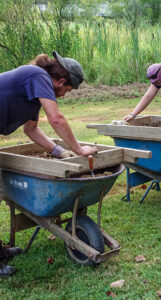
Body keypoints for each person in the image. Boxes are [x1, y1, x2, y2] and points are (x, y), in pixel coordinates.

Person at [0, 51, 98, 276]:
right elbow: (56, 119)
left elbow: (31, 128)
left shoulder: (33, 91)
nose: (64, 95)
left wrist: (57, 150)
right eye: (67, 90)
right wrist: (78, 149)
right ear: (61, 80)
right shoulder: (38, 76)